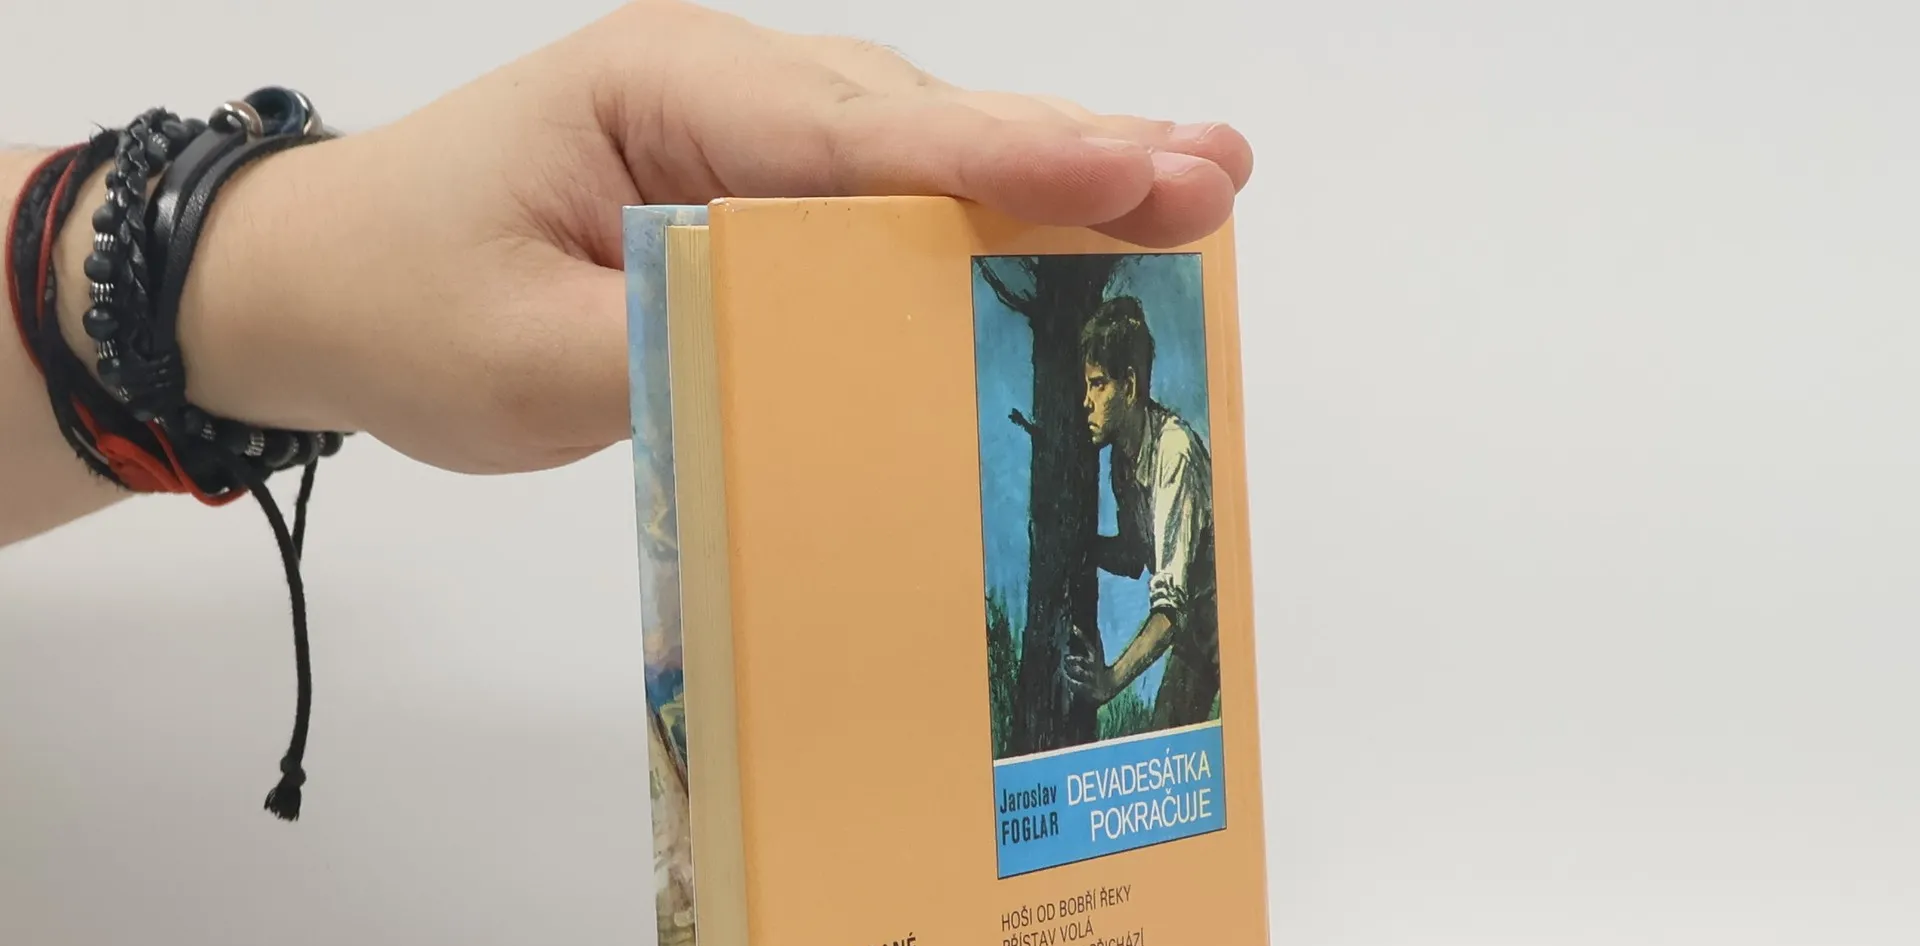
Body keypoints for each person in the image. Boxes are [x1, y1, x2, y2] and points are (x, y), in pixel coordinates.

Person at [0, 0, 1251, 550]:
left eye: (1100, 386)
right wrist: (278, 272)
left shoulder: (1165, 455)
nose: (1085, 402)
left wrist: (253, 273)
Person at [1062, 294, 1219, 729]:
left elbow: (1170, 610)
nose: (1086, 401)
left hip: (1228, 622)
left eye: (1098, 384)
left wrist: (1110, 680)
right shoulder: (1123, 460)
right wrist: (1082, 548)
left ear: (1129, 386)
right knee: (1167, 732)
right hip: (1193, 632)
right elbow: (1134, 557)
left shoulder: (1173, 451)